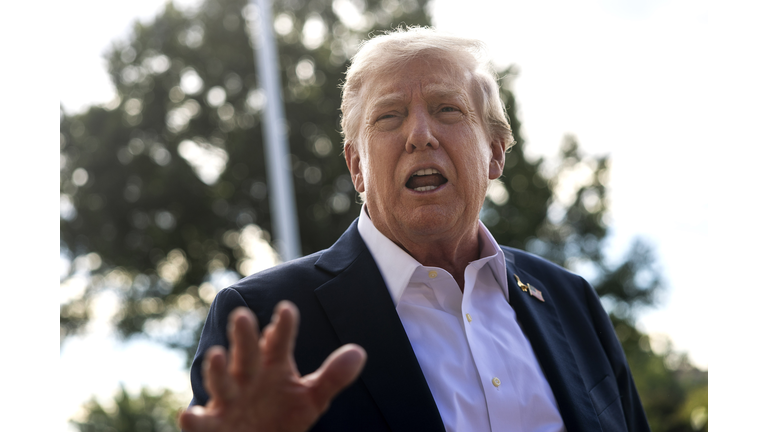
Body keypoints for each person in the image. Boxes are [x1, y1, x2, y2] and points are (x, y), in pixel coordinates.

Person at [179, 27, 650, 432]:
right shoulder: (262, 318)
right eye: (389, 116)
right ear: (357, 165)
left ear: (495, 152)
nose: (420, 134)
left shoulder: (572, 301)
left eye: (448, 109)